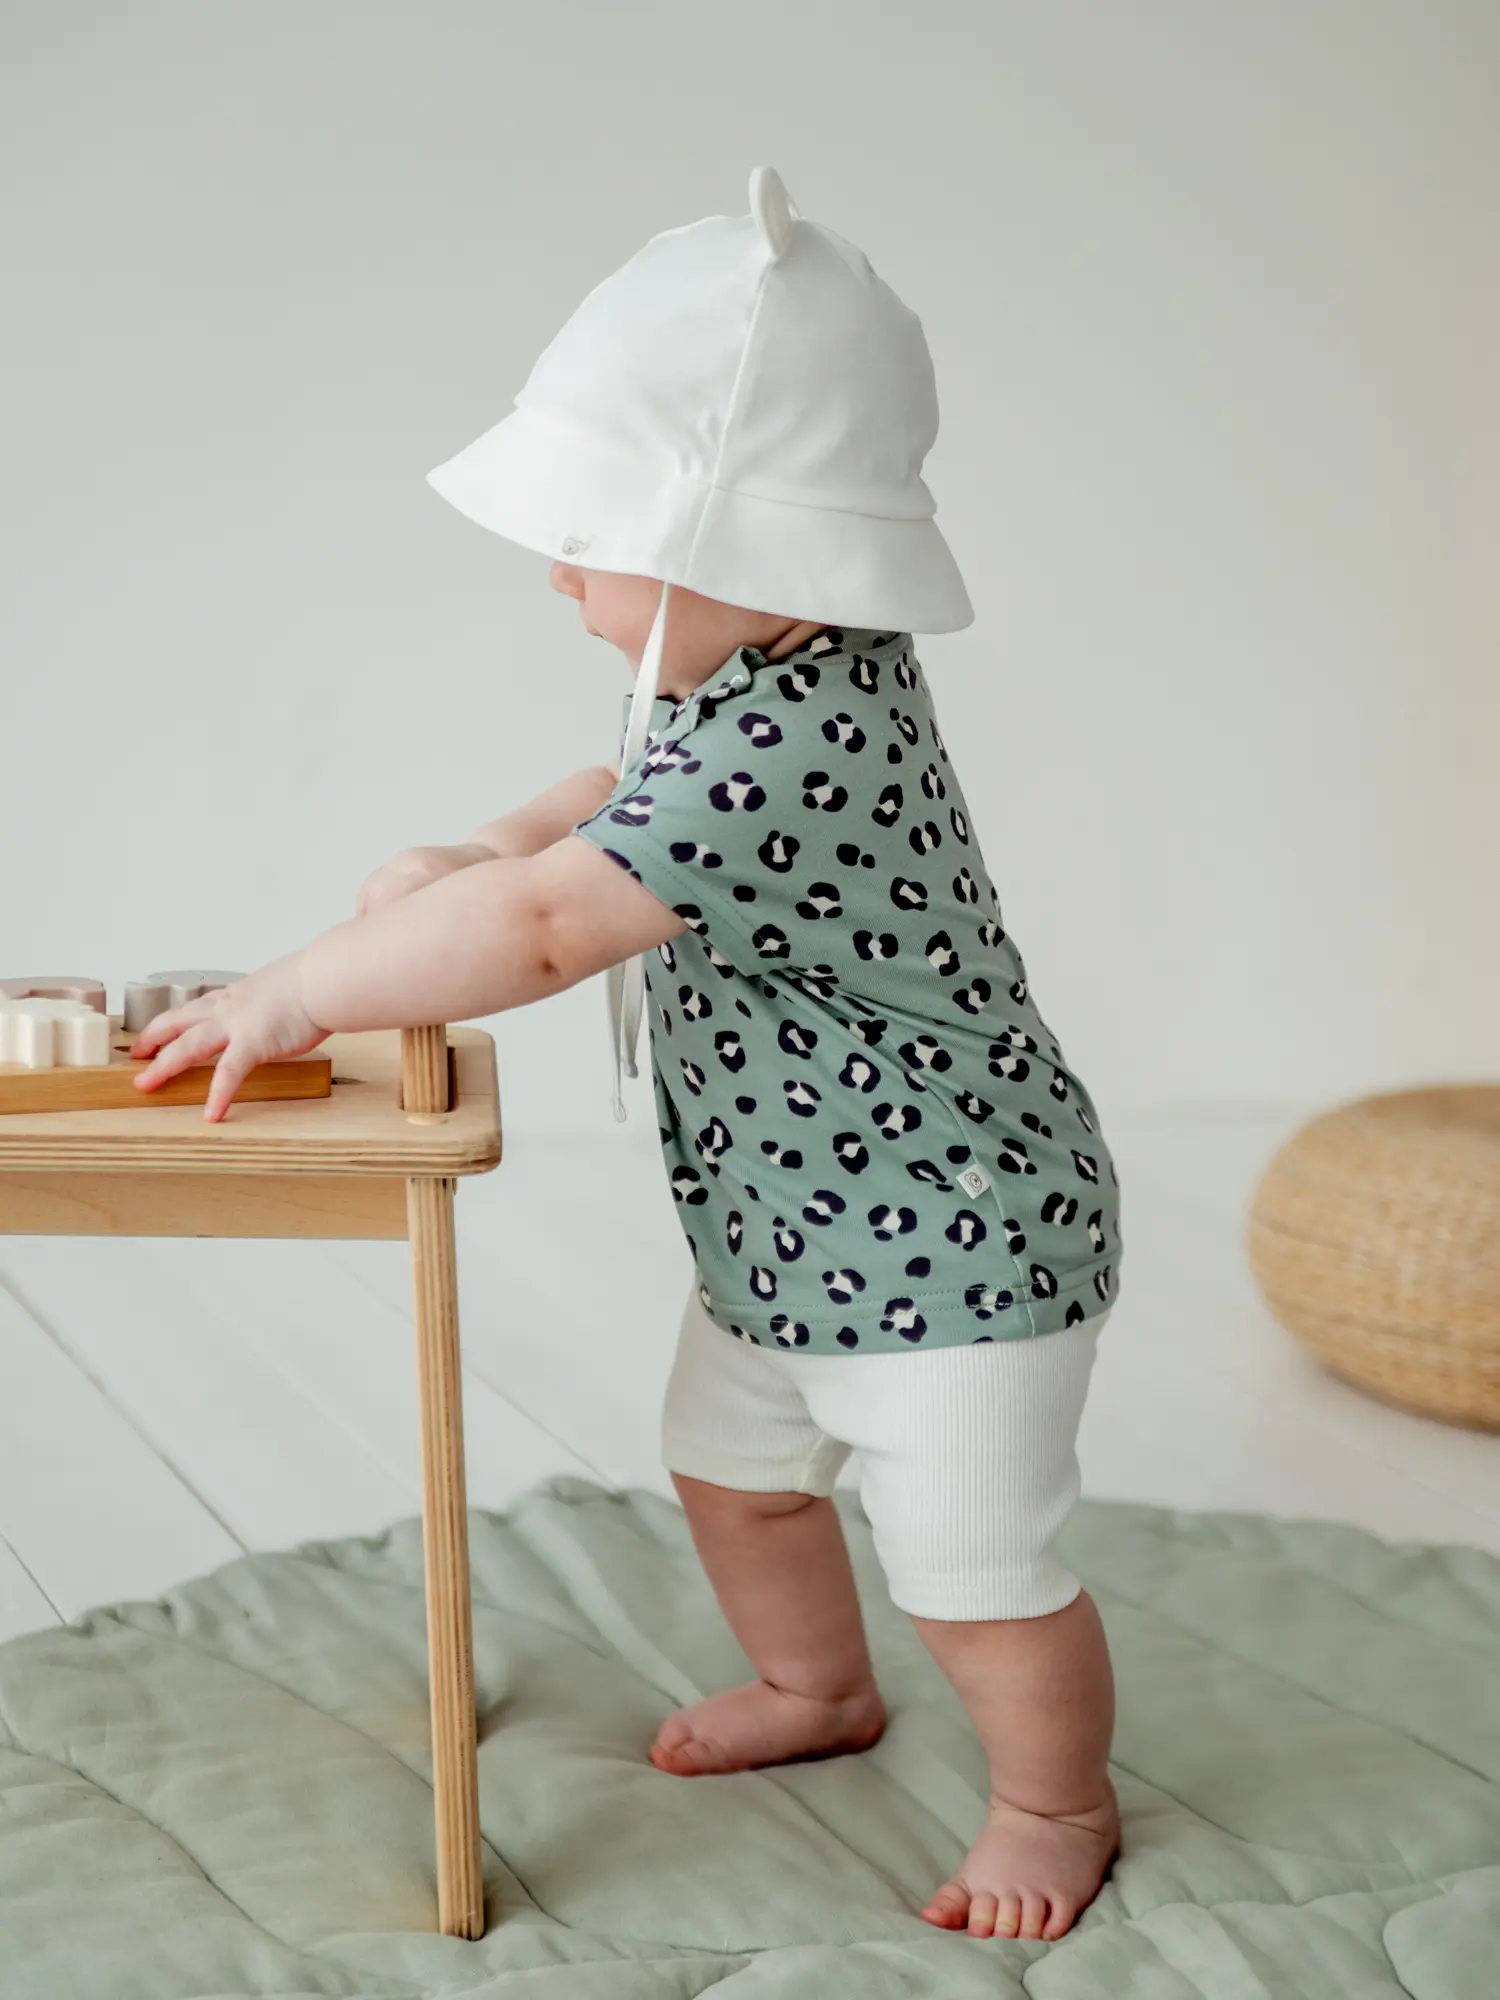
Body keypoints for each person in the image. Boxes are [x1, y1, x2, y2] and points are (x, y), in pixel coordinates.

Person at [131, 167, 1124, 1943]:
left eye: (587, 541)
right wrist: (486, 840)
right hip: (791, 1221)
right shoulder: (738, 675)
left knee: (977, 1569)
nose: (560, 576)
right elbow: (602, 807)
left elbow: (545, 931)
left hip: (957, 1240)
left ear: (740, 552)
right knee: (735, 1480)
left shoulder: (796, 743)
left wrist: (301, 991)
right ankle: (820, 1688)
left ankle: (1056, 1799)